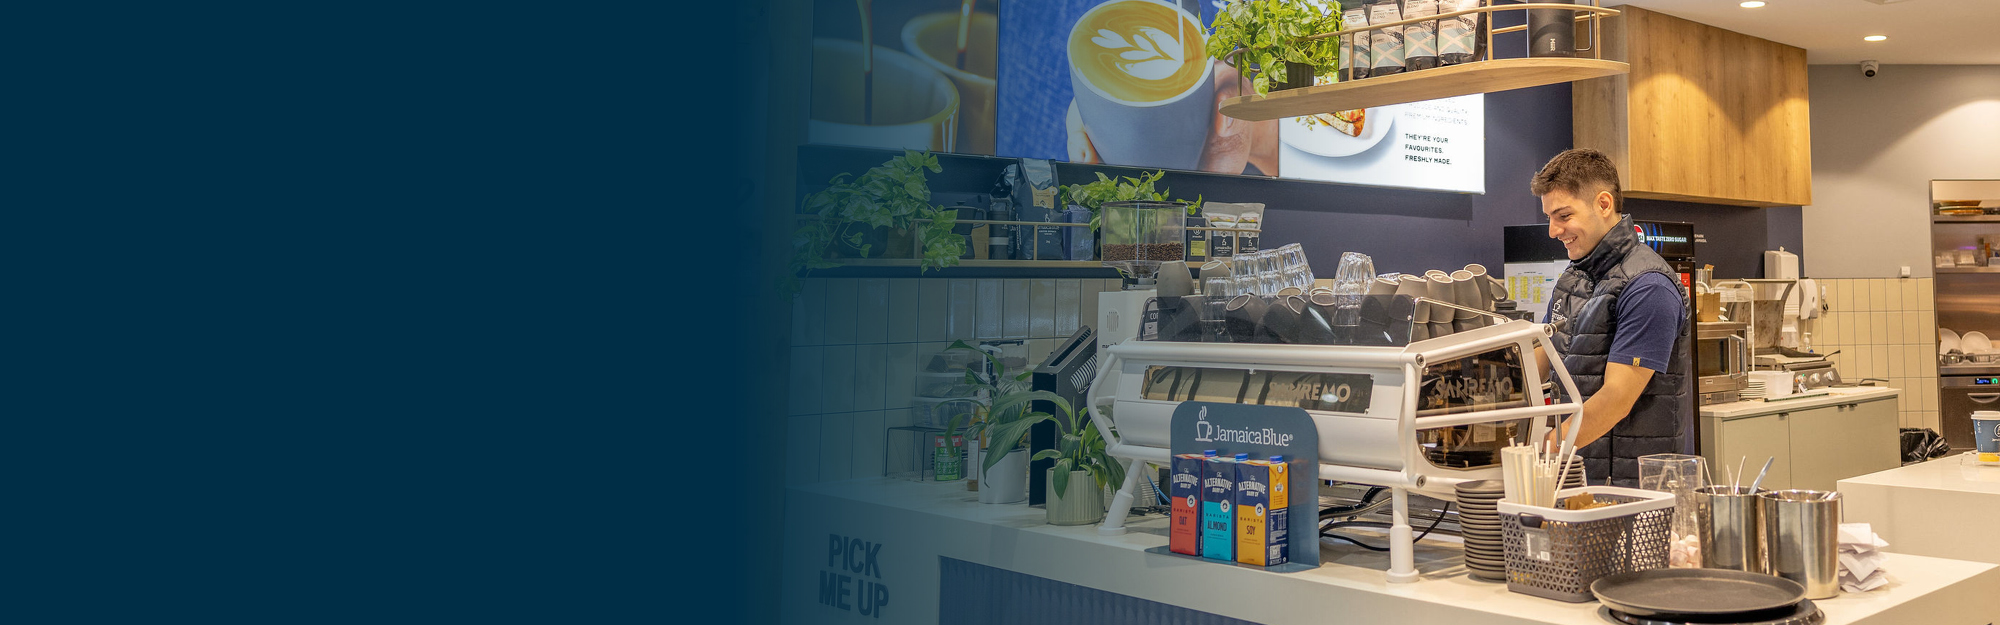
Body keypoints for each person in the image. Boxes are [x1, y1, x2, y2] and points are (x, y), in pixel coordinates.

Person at [1529, 149, 1691, 487]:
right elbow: (1540, 359)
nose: (1553, 231)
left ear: (1603, 204)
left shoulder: (1649, 285)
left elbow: (1616, 399)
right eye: (1549, 218)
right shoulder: (1572, 278)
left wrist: (1541, 449)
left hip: (1631, 489)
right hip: (1576, 476)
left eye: (1563, 215)